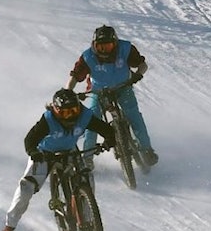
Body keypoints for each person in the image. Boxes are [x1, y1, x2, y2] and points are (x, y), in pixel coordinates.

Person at [0, 89, 116, 231]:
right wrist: (34, 152)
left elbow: (106, 130)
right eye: (66, 113)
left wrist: (109, 140)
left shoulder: (84, 116)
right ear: (56, 110)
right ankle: (9, 227)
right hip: (45, 154)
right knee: (27, 187)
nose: (71, 116)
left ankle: (87, 217)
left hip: (69, 151)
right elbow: (30, 140)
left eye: (74, 111)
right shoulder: (48, 120)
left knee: (87, 177)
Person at [66, 25, 156, 165]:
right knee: (92, 121)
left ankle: (147, 150)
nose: (104, 51)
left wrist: (138, 74)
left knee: (134, 116)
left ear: (115, 44)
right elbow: (75, 76)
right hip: (98, 92)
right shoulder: (88, 57)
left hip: (123, 88)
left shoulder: (125, 49)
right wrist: (68, 92)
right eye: (100, 47)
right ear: (94, 45)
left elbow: (142, 65)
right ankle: (87, 159)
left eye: (108, 47)